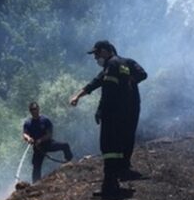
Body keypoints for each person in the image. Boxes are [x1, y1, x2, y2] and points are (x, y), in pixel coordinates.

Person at [70, 40, 147, 181]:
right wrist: (77, 96)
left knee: (125, 137)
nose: (95, 58)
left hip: (128, 107)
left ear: (105, 50)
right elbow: (93, 84)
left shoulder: (124, 63)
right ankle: (120, 169)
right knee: (121, 138)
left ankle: (123, 169)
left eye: (97, 53)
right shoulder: (107, 69)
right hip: (123, 108)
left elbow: (143, 74)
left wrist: (130, 80)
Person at [22, 102, 73, 183]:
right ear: (30, 111)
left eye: (35, 109)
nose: (34, 111)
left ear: (38, 109)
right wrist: (28, 138)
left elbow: (49, 134)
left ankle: (69, 162)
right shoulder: (28, 123)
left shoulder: (45, 120)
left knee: (65, 145)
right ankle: (35, 184)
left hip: (48, 144)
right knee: (36, 167)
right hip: (38, 148)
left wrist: (41, 140)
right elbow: (25, 134)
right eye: (32, 110)